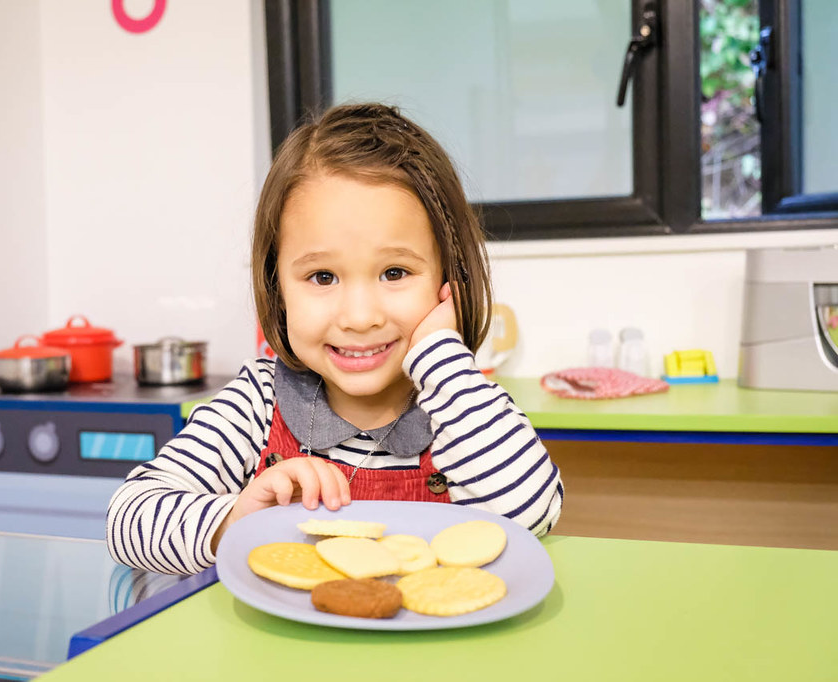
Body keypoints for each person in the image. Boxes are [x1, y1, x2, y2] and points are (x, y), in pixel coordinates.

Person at [107, 103, 563, 575]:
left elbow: (528, 515)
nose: (359, 318)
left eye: (394, 272)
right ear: (277, 287)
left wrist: (441, 357)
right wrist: (234, 520)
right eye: (323, 277)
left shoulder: (461, 403)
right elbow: (128, 518)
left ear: (450, 278)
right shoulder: (258, 402)